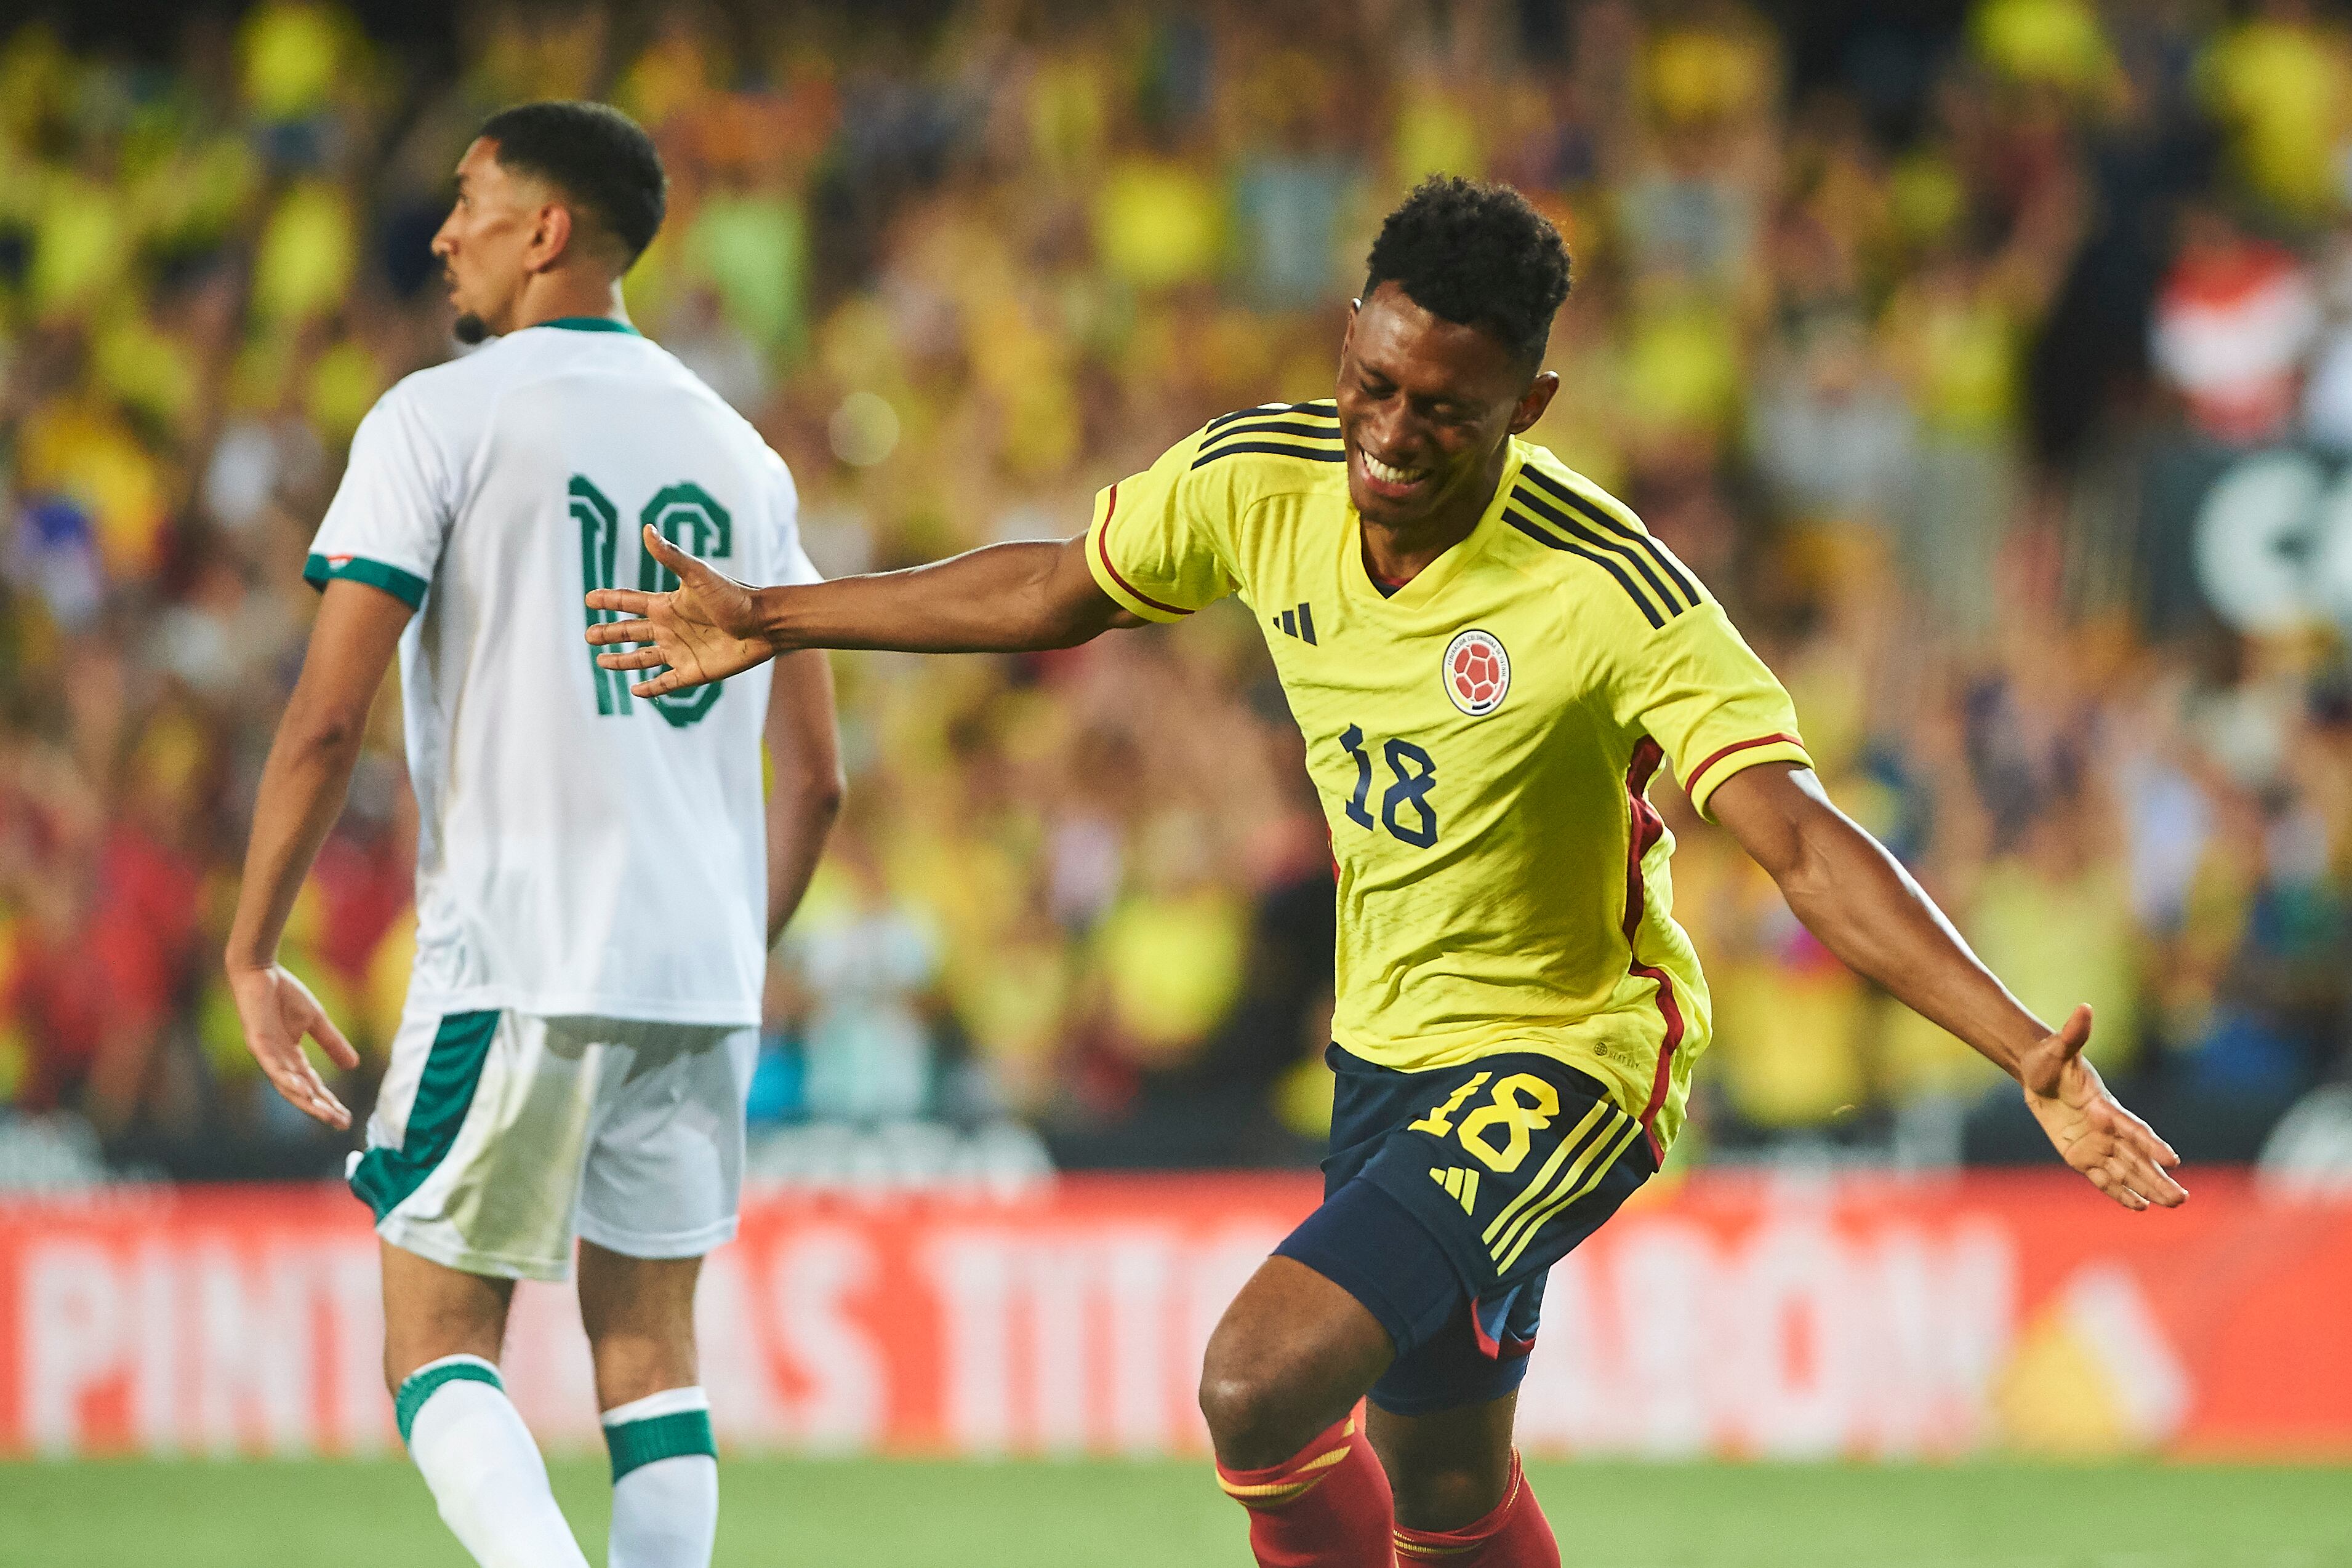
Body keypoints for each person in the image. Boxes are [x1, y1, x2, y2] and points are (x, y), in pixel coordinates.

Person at [585, 176, 2184, 1568]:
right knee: (1442, 1487)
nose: (1389, 435)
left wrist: (2011, 1045)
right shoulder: (1258, 476)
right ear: (1349, 334)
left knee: (1256, 1382)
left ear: (1528, 407)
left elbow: (1795, 838)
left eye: (1446, 409)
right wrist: (772, 615)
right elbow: (1053, 590)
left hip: (1565, 1054)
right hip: (1384, 1056)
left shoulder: (1611, 592)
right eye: (1373, 381)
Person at [225, 102, 842, 1568]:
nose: (443, 233)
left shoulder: (439, 415)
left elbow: (325, 715)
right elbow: (817, 781)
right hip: (698, 972)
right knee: (653, 1364)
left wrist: (251, 948)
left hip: (517, 951)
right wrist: (716, 947)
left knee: (433, 1340)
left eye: (470, 200)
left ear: (547, 230)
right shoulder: (742, 452)